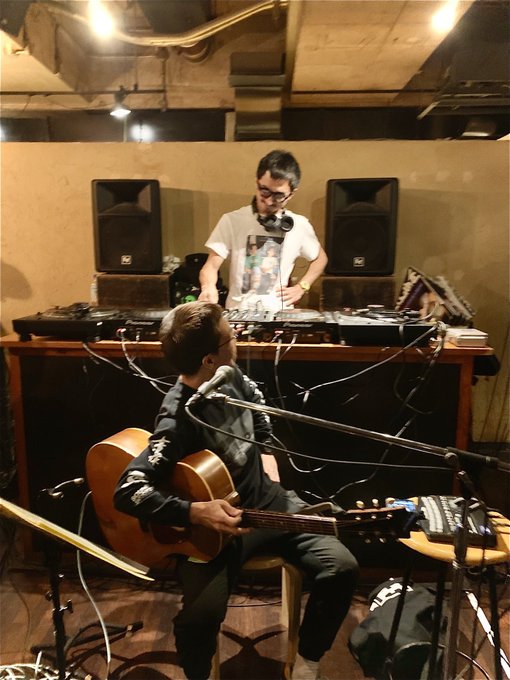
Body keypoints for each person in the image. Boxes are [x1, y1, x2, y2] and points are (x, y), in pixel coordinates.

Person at [114, 301, 358, 680]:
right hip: (216, 533)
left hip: (270, 504)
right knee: (200, 618)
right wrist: (196, 512)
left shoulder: (230, 375)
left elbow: (258, 409)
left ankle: (307, 662)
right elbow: (128, 491)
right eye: (231, 337)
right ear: (209, 359)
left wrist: (266, 453)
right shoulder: (177, 418)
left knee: (341, 566)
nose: (238, 340)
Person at [198, 149, 328, 311]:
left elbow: (320, 259)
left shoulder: (299, 226)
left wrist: (302, 287)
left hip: (280, 314)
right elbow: (210, 267)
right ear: (257, 182)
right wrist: (208, 287)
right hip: (239, 313)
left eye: (278, 195)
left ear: (291, 194)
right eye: (264, 191)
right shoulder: (232, 221)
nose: (269, 201)